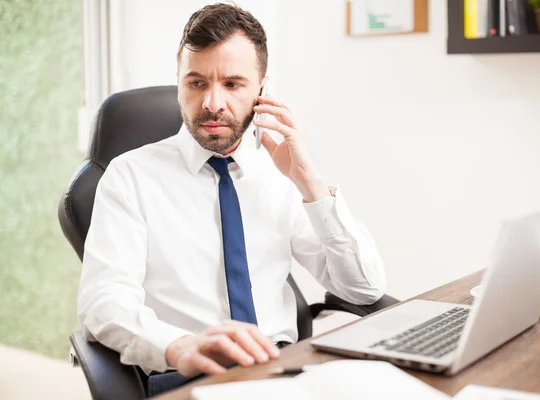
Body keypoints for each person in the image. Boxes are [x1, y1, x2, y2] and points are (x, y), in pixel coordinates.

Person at [77, 3, 386, 396]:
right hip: (191, 376)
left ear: (262, 89)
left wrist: (310, 182)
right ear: (178, 83)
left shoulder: (281, 174)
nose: (212, 103)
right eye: (196, 83)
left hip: (285, 374)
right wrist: (179, 346)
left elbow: (363, 291)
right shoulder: (129, 176)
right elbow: (103, 302)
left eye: (233, 84)